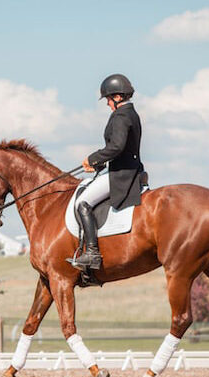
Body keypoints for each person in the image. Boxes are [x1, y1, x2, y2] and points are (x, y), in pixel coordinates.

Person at [69, 74, 144, 276]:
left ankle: (92, 252)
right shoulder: (131, 114)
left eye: (109, 99)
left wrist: (93, 158)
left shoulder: (121, 116)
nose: (108, 104)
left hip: (121, 175)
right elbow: (120, 149)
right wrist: (100, 162)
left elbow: (117, 147)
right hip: (127, 169)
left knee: (82, 203)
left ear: (118, 97)